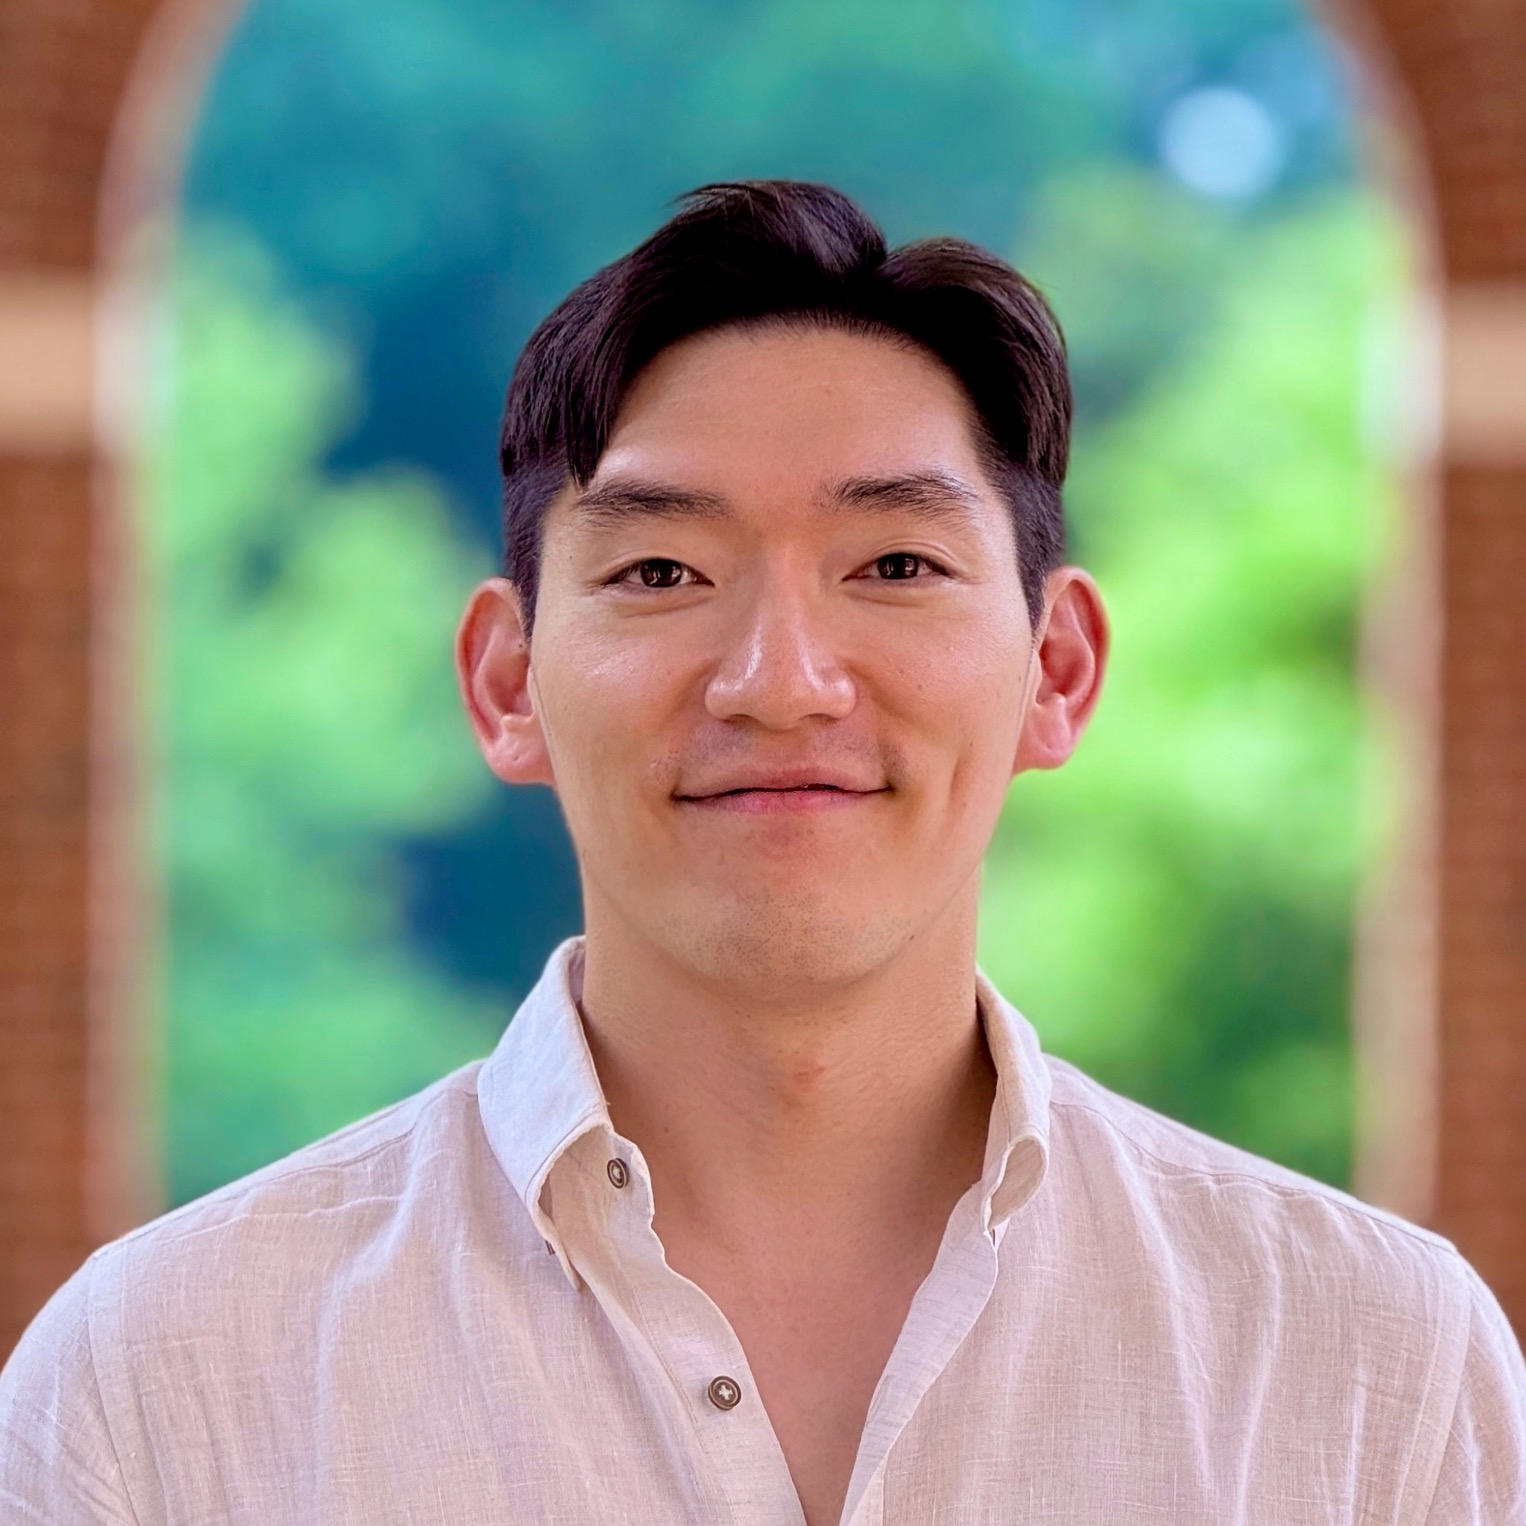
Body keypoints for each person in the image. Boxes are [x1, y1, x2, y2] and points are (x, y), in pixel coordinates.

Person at [2, 179, 1523, 1526]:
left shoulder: (1375, 1368)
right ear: (505, 680)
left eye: (894, 564)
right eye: (662, 568)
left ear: (1054, 669)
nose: (781, 679)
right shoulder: (158, 1381)